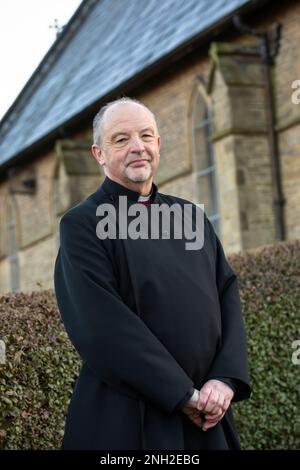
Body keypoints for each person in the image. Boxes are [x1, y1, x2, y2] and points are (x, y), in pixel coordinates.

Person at [54, 97, 251, 450]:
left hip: (208, 417)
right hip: (129, 421)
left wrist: (225, 379)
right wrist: (183, 394)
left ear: (158, 144)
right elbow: (103, 327)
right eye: (121, 139)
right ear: (98, 153)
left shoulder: (190, 218)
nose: (138, 147)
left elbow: (227, 293)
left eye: (146, 136)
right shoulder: (82, 225)